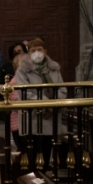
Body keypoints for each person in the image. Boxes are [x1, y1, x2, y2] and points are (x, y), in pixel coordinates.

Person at [14, 37, 66, 171]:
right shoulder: (22, 69)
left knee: (46, 152)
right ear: (29, 53)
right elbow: (23, 93)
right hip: (31, 118)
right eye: (33, 50)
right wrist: (46, 102)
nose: (37, 53)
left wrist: (52, 103)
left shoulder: (54, 69)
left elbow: (62, 90)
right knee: (32, 156)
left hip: (50, 117)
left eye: (39, 50)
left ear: (45, 51)